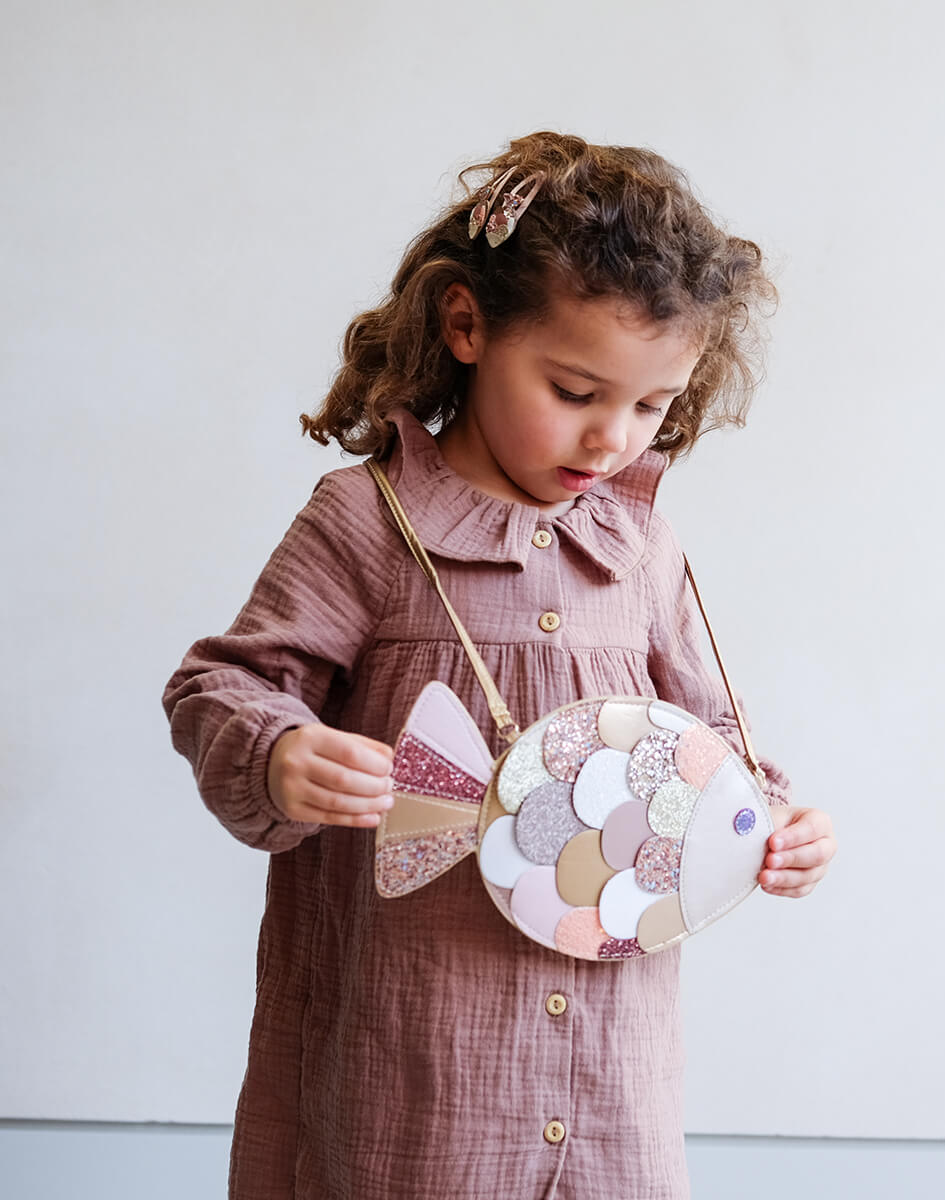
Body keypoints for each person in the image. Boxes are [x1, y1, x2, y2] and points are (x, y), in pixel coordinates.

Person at [163, 131, 836, 1200]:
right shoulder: (372, 524)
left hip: (612, 1070)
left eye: (652, 406)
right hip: (420, 1067)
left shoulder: (643, 550)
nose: (613, 439)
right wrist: (280, 750)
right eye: (574, 390)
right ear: (467, 326)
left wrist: (774, 821)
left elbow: (715, 746)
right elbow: (223, 686)